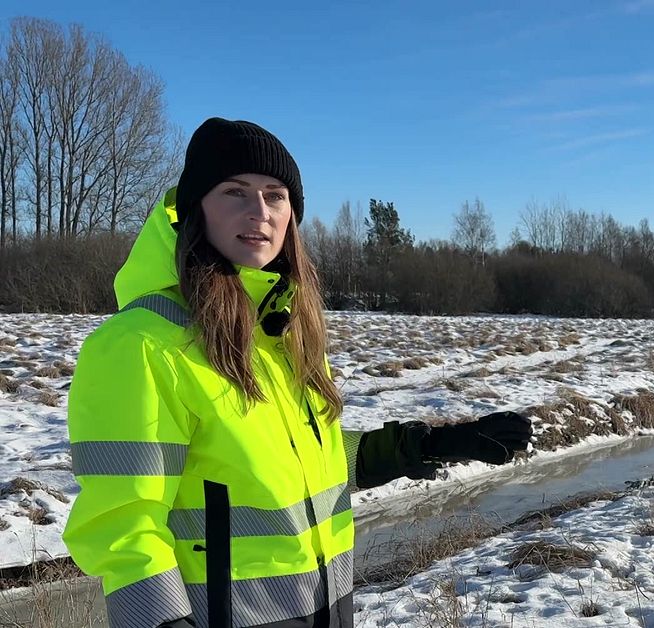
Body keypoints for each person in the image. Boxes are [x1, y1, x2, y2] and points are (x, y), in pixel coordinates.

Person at [62, 117, 533, 628]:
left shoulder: (282, 331)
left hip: (329, 609)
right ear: (195, 207)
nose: (258, 212)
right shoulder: (141, 345)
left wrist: (425, 446)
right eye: (234, 192)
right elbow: (121, 524)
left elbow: (309, 463)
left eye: (275, 194)